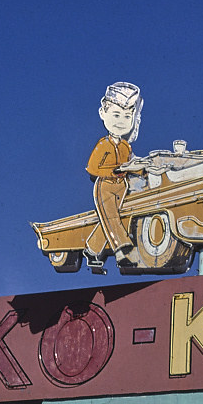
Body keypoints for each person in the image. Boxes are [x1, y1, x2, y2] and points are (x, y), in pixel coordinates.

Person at [86, 82, 145, 269]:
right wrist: (115, 170)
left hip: (122, 186)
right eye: (116, 115)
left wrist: (142, 167)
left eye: (127, 116)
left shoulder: (126, 146)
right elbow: (92, 168)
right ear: (103, 113)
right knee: (111, 218)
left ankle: (92, 249)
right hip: (105, 186)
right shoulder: (103, 144)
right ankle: (121, 253)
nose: (121, 121)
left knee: (111, 218)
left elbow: (130, 165)